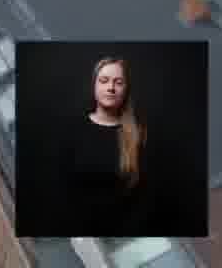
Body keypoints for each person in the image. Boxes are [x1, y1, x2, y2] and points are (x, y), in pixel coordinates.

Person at [60, 57, 156, 236]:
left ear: (126, 89)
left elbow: (146, 195)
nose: (111, 88)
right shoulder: (71, 130)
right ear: (94, 85)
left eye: (118, 82)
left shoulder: (138, 135)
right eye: (104, 81)